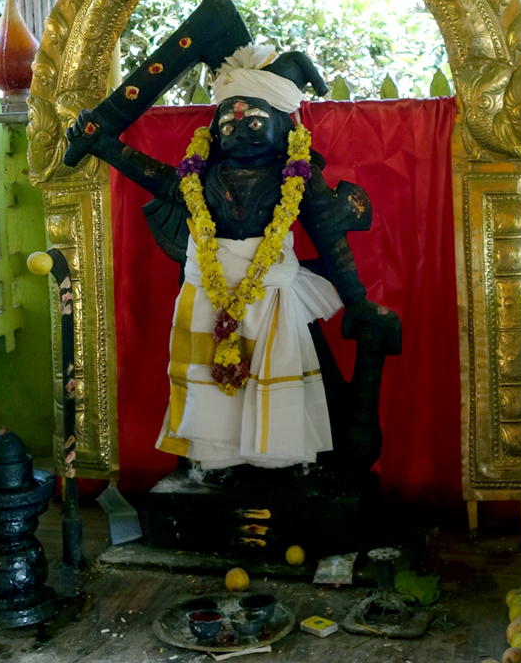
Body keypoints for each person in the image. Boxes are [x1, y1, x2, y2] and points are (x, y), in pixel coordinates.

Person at [66, 43, 400, 472]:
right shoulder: (203, 176)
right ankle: (217, 461)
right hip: (208, 292)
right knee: (208, 377)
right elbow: (163, 182)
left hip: (273, 295)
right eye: (228, 123)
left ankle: (277, 463)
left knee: (277, 375)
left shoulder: (298, 177)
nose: (239, 130)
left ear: (284, 127)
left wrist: (356, 299)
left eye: (255, 121)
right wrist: (104, 146)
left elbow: (329, 234)